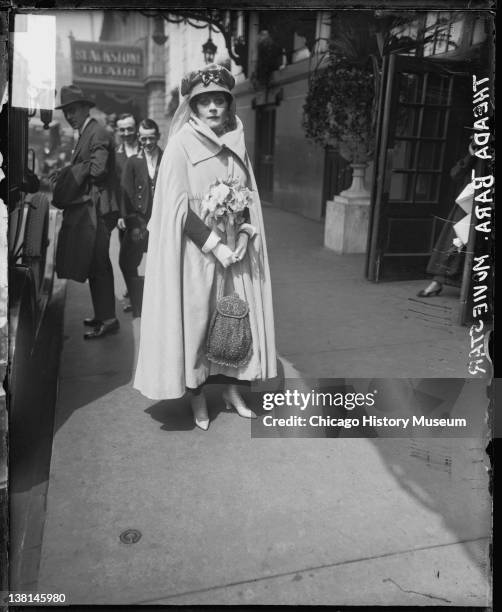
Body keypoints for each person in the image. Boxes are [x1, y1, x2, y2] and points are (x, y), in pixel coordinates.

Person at [134, 64, 277, 430]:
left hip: (235, 255)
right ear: (193, 108)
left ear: (229, 105)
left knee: (233, 322)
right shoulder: (181, 145)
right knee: (197, 325)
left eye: (219, 101)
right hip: (196, 256)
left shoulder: (237, 143)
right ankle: (197, 397)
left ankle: (231, 389)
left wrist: (244, 237)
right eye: (204, 102)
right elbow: (178, 209)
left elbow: (246, 200)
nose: (213, 108)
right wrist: (216, 245)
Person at [51, 85, 120, 339]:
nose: (69, 116)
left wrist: (70, 173)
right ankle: (103, 314)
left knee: (99, 263)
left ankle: (109, 319)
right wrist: (66, 172)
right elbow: (87, 166)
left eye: (72, 110)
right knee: (94, 264)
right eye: (66, 112)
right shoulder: (86, 132)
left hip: (100, 209)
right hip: (94, 206)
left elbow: (99, 169)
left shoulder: (97, 131)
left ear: (84, 108)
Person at [417, 136, 477, 297]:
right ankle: (437, 282)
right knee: (455, 243)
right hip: (468, 205)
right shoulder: (475, 154)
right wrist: (470, 155)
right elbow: (455, 174)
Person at [119, 119, 163, 318]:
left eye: (151, 138)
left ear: (158, 137)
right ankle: (138, 306)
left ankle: (157, 305)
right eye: (143, 138)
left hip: (162, 221)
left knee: (162, 263)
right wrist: (132, 223)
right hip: (140, 221)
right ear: (139, 138)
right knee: (127, 262)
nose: (147, 143)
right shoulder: (133, 161)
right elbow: (125, 194)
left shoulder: (167, 157)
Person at [115, 113, 140, 311]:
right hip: (125, 216)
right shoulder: (116, 155)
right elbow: (116, 187)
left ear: (136, 128)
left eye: (129, 128)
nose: (126, 133)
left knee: (139, 256)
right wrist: (119, 215)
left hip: (146, 215)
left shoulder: (147, 148)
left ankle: (136, 294)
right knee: (127, 258)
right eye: (122, 129)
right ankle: (134, 293)